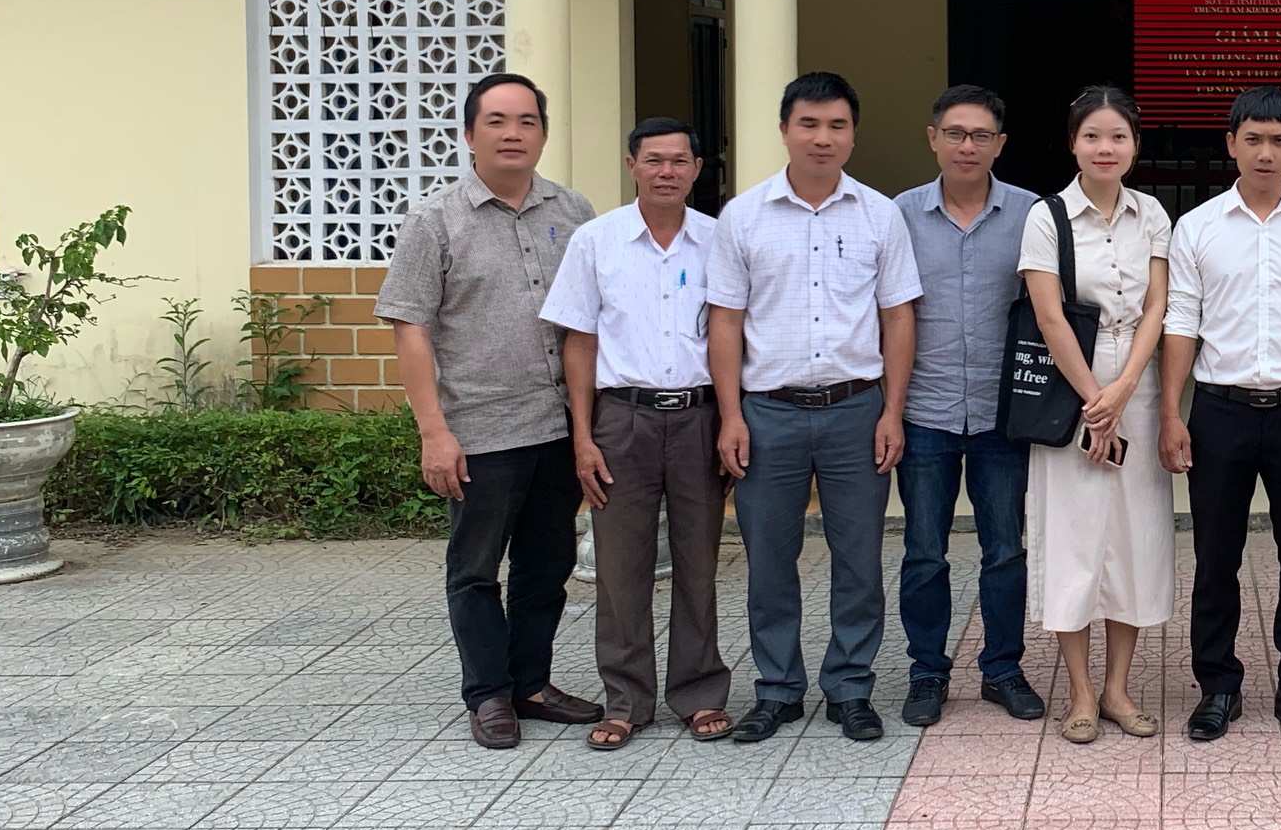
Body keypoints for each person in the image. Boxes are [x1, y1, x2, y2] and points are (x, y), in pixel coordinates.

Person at [378, 73, 603, 749]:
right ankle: (488, 694)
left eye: (527, 121)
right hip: (478, 431)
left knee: (547, 566)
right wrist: (433, 432)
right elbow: (410, 328)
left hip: (558, 425)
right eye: (498, 121)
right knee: (476, 570)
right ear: (469, 133)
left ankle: (531, 683)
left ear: (543, 133)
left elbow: (588, 320)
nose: (513, 134)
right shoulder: (434, 221)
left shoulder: (574, 210)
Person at [710, 72, 922, 745]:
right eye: (809, 123)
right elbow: (724, 321)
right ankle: (777, 689)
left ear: (853, 135)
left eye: (836, 125)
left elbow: (898, 317)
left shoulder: (879, 214)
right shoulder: (743, 216)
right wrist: (730, 415)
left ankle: (850, 687)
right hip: (767, 412)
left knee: (858, 558)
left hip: (855, 410)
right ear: (784, 130)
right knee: (769, 559)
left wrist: (892, 411)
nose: (822, 138)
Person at [1160, 85, 1281, 745]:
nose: (1266, 152)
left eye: (1279, 140)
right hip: (1220, 412)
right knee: (1215, 556)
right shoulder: (1198, 227)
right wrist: (1171, 413)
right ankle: (1218, 687)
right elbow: (1181, 322)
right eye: (1253, 139)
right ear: (1231, 144)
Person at [538, 117, 732, 750]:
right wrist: (583, 435)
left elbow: (735, 334)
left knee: (698, 563)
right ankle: (625, 700)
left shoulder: (720, 240)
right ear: (632, 166)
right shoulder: (596, 241)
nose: (666, 172)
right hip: (622, 417)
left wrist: (733, 419)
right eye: (653, 160)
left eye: (679, 161)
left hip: (700, 415)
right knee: (620, 569)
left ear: (697, 169)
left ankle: (699, 693)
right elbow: (579, 340)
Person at [1022, 87, 1174, 745]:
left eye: (1118, 137)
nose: (1105, 148)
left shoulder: (1152, 214)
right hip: (1069, 388)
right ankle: (1081, 692)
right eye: (1092, 136)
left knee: (1135, 537)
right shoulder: (1046, 217)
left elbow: (1158, 307)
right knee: (1074, 537)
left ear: (1135, 146)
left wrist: (1124, 391)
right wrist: (1094, 400)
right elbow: (1049, 315)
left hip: (1135, 383)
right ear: (1072, 143)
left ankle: (1117, 688)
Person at [894, 86, 1045, 729]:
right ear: (933, 138)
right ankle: (927, 672)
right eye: (955, 133)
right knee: (924, 551)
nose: (967, 146)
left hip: (1001, 413)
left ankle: (1002, 669)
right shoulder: (899, 215)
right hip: (924, 411)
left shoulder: (1032, 213)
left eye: (981, 136)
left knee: (1005, 549)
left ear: (1000, 144)